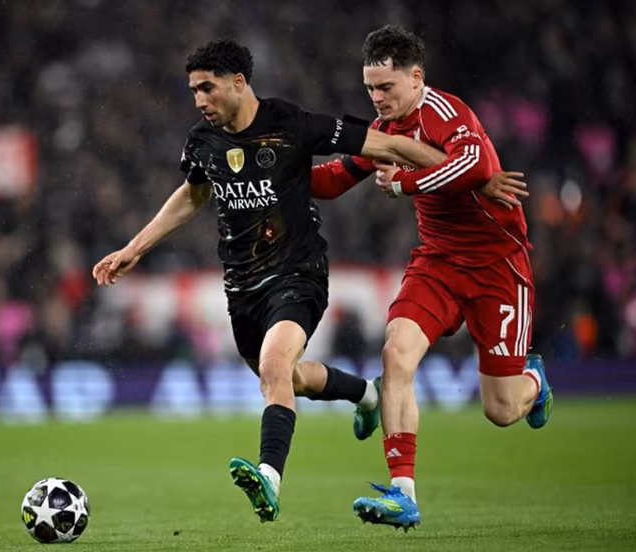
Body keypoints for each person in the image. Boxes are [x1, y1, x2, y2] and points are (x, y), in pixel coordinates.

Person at [92, 38, 450, 523]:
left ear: (239, 83)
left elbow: (385, 143)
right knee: (285, 377)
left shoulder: (291, 123)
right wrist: (134, 248)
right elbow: (194, 195)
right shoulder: (202, 140)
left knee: (274, 367)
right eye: (194, 91)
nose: (199, 100)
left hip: (298, 274)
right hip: (241, 289)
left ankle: (270, 477)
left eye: (207, 88)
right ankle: (367, 393)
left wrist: (472, 173)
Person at [308, 25, 553, 531]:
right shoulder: (385, 130)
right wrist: (274, 175)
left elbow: (474, 164)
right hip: (438, 262)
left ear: (416, 78)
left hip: (496, 267)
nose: (377, 99)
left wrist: (404, 184)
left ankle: (535, 381)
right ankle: (403, 494)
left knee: (502, 410)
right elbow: (334, 180)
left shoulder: (446, 112)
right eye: (370, 89)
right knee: (396, 352)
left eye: (386, 88)